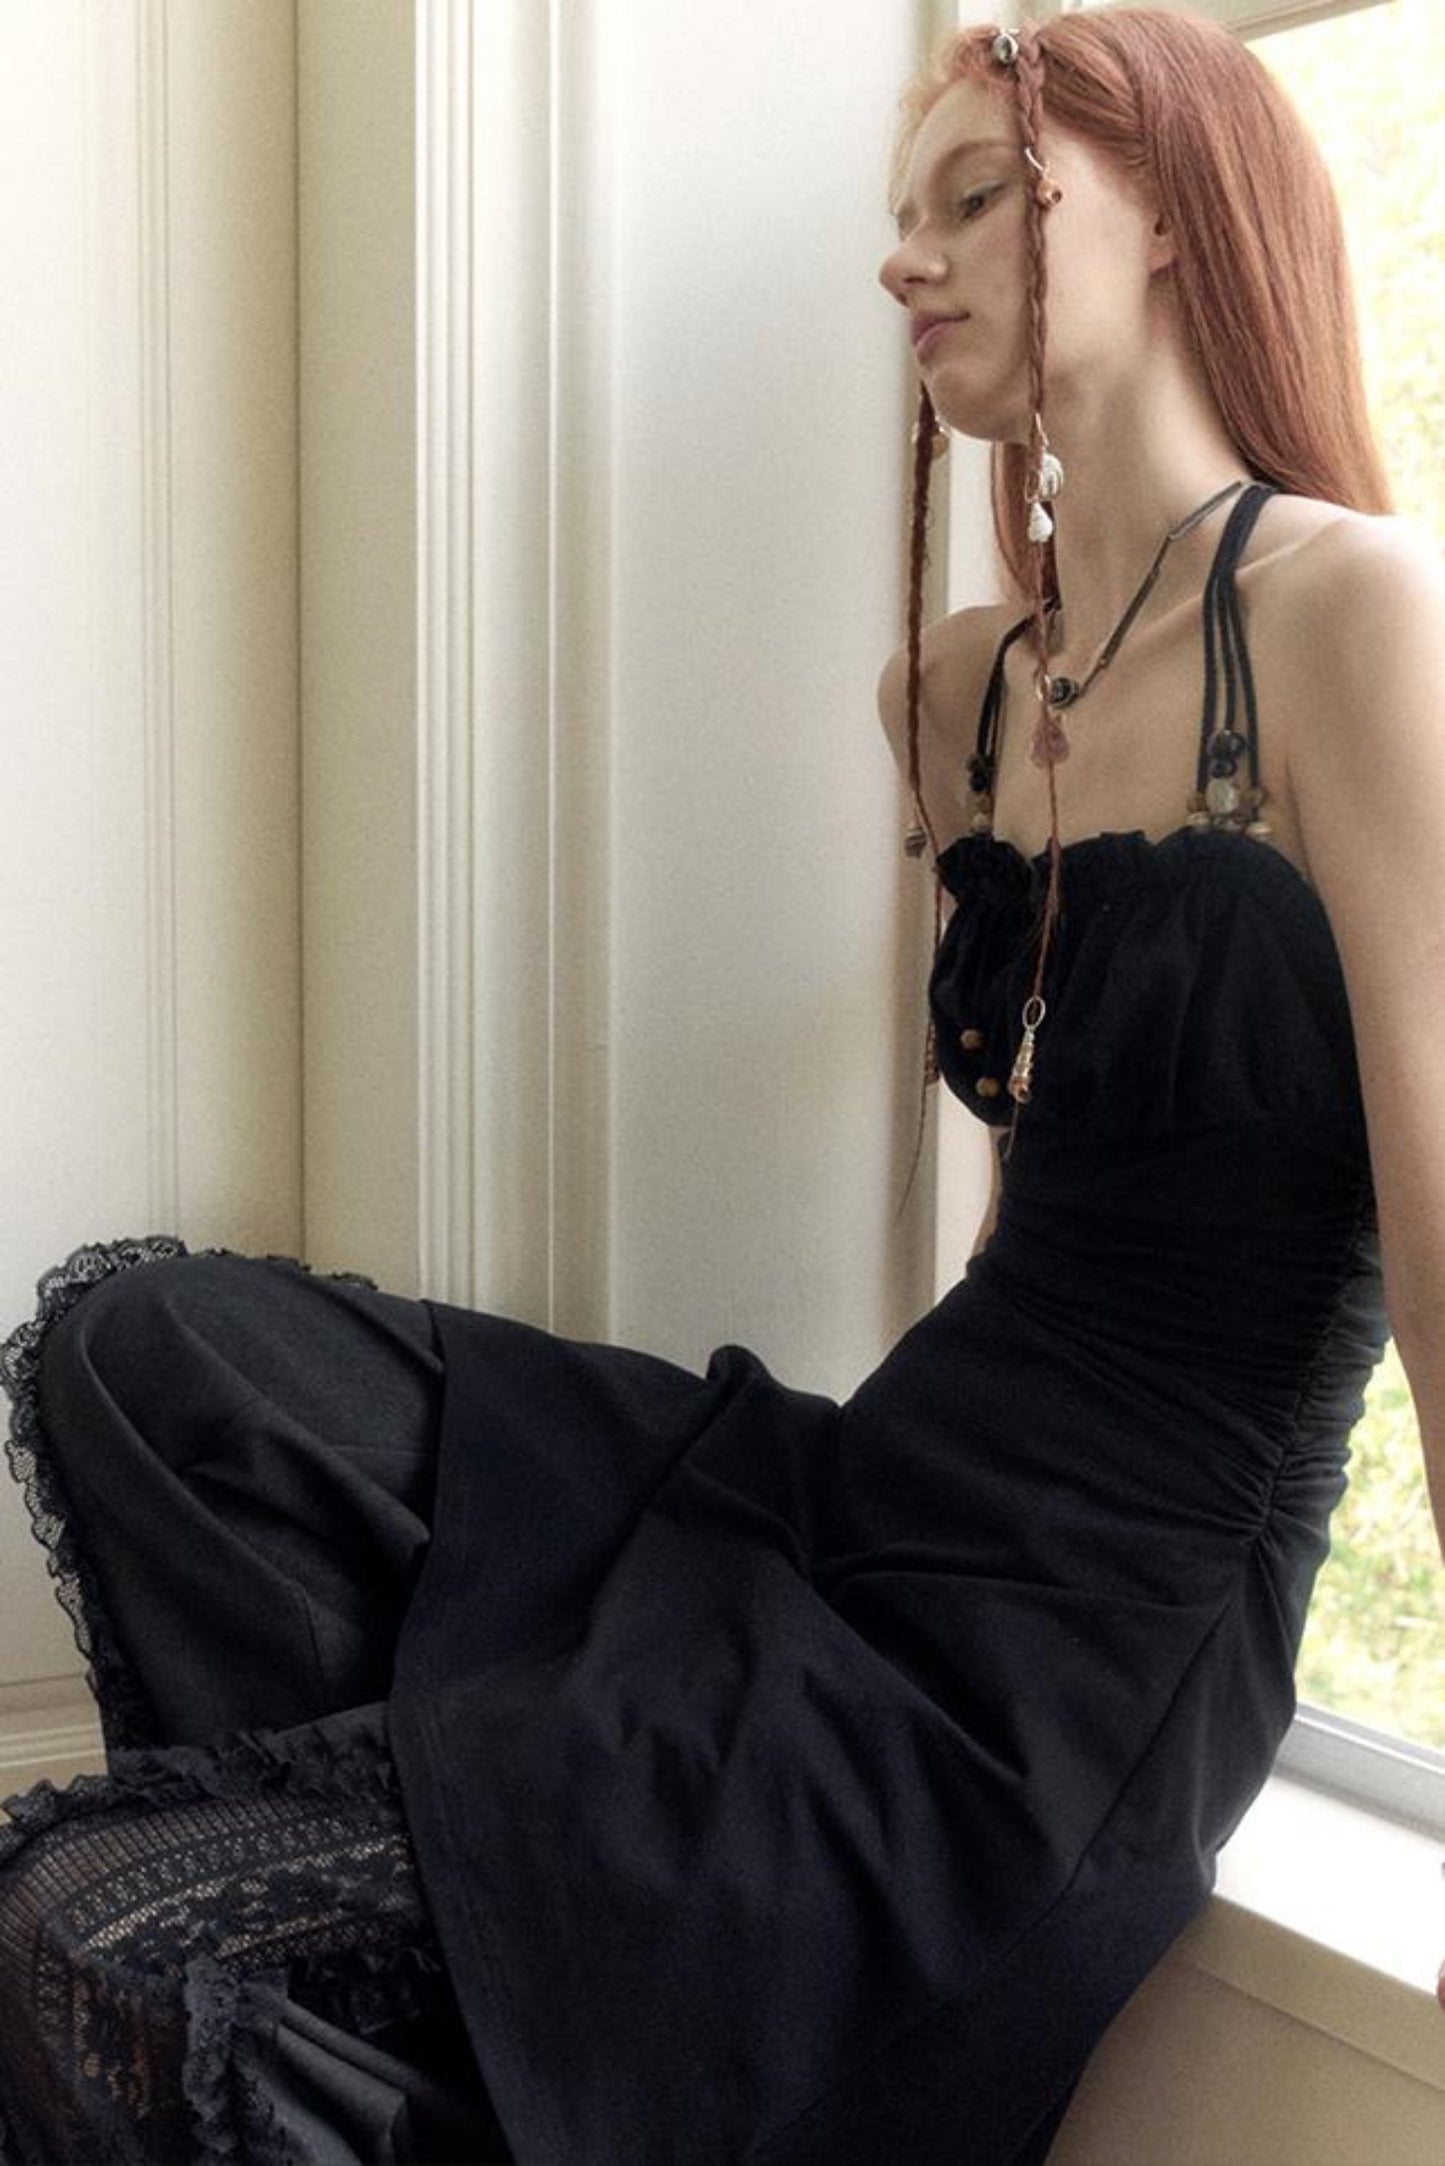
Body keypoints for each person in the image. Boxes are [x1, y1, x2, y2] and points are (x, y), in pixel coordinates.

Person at [2, 9, 1442, 2162]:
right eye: (902, 213)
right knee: (145, 1361)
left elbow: (1440, 1242)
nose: (904, 258)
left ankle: (441, 1960)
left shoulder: (1355, 614)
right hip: (865, 1494)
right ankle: (494, 1943)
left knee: (83, 1928)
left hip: (1078, 1653)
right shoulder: (956, 691)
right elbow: (1037, 1167)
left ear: (1172, 217)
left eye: (977, 196)